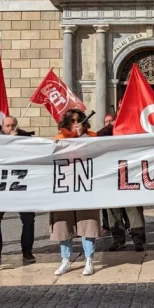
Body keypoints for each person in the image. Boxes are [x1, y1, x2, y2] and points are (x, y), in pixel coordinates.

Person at [51, 109, 100, 276]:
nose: (75, 123)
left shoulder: (92, 136)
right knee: (63, 224)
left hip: (86, 187)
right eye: (72, 120)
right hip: (64, 188)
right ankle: (65, 259)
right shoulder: (59, 139)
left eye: (78, 120)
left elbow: (96, 152)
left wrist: (81, 138)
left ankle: (89, 259)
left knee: (88, 223)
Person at [0, 117, 37, 267]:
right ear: (3, 128)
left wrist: (18, 144)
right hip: (0, 188)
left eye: (13, 125)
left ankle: (27, 251)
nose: (11, 127)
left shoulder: (26, 139)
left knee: (28, 221)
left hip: (22, 188)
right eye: (8, 126)